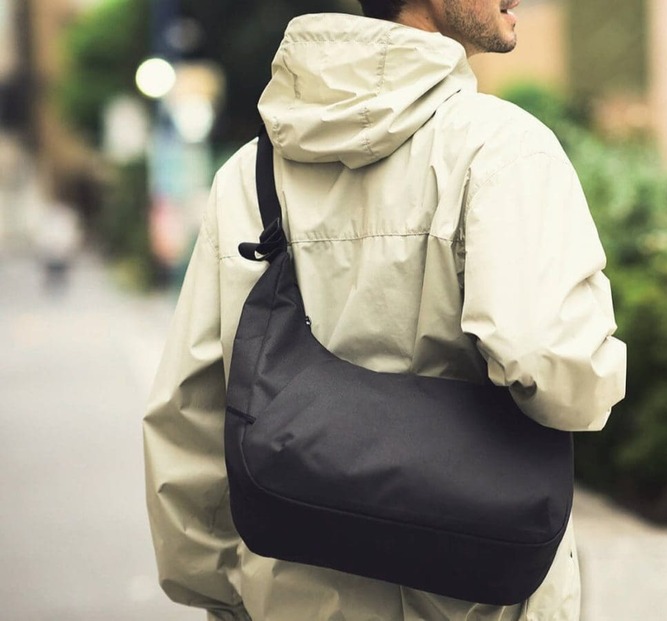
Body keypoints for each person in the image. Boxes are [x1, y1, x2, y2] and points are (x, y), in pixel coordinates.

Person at [143, 2, 627, 620]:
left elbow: (193, 413)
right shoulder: (503, 151)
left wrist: (225, 597)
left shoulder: (248, 174)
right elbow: (558, 371)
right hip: (474, 596)